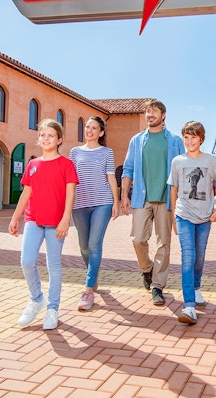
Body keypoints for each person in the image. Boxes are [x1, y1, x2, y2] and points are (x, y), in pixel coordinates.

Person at [8, 119, 78, 330]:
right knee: (27, 261)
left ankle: (52, 309)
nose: (46, 138)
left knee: (53, 265)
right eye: (42, 135)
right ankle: (37, 298)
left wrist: (65, 219)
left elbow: (70, 194)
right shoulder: (33, 165)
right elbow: (26, 193)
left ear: (59, 140)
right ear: (38, 139)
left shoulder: (66, 164)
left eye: (51, 135)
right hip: (34, 219)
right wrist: (15, 217)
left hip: (56, 222)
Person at [120, 99, 185, 306]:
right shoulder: (137, 140)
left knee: (163, 243)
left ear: (163, 115)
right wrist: (124, 195)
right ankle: (147, 268)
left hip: (166, 199)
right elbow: (128, 168)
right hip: (142, 198)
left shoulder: (175, 141)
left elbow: (182, 171)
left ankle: (158, 286)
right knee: (138, 239)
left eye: (154, 111)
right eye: (147, 111)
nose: (150, 115)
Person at [168, 121, 216, 325]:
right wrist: (173, 218)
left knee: (200, 255)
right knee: (188, 256)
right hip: (183, 215)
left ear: (201, 139)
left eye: (193, 137)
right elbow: (173, 189)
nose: (189, 141)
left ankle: (195, 287)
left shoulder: (210, 161)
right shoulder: (177, 161)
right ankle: (189, 306)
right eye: (186, 137)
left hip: (204, 218)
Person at [69, 116, 120, 312]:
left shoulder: (107, 152)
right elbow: (70, 179)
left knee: (94, 243)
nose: (89, 131)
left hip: (102, 203)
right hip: (79, 204)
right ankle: (94, 273)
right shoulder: (74, 152)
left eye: (94, 128)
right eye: (87, 127)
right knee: (84, 247)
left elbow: (110, 177)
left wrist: (115, 202)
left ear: (101, 132)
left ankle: (89, 289)